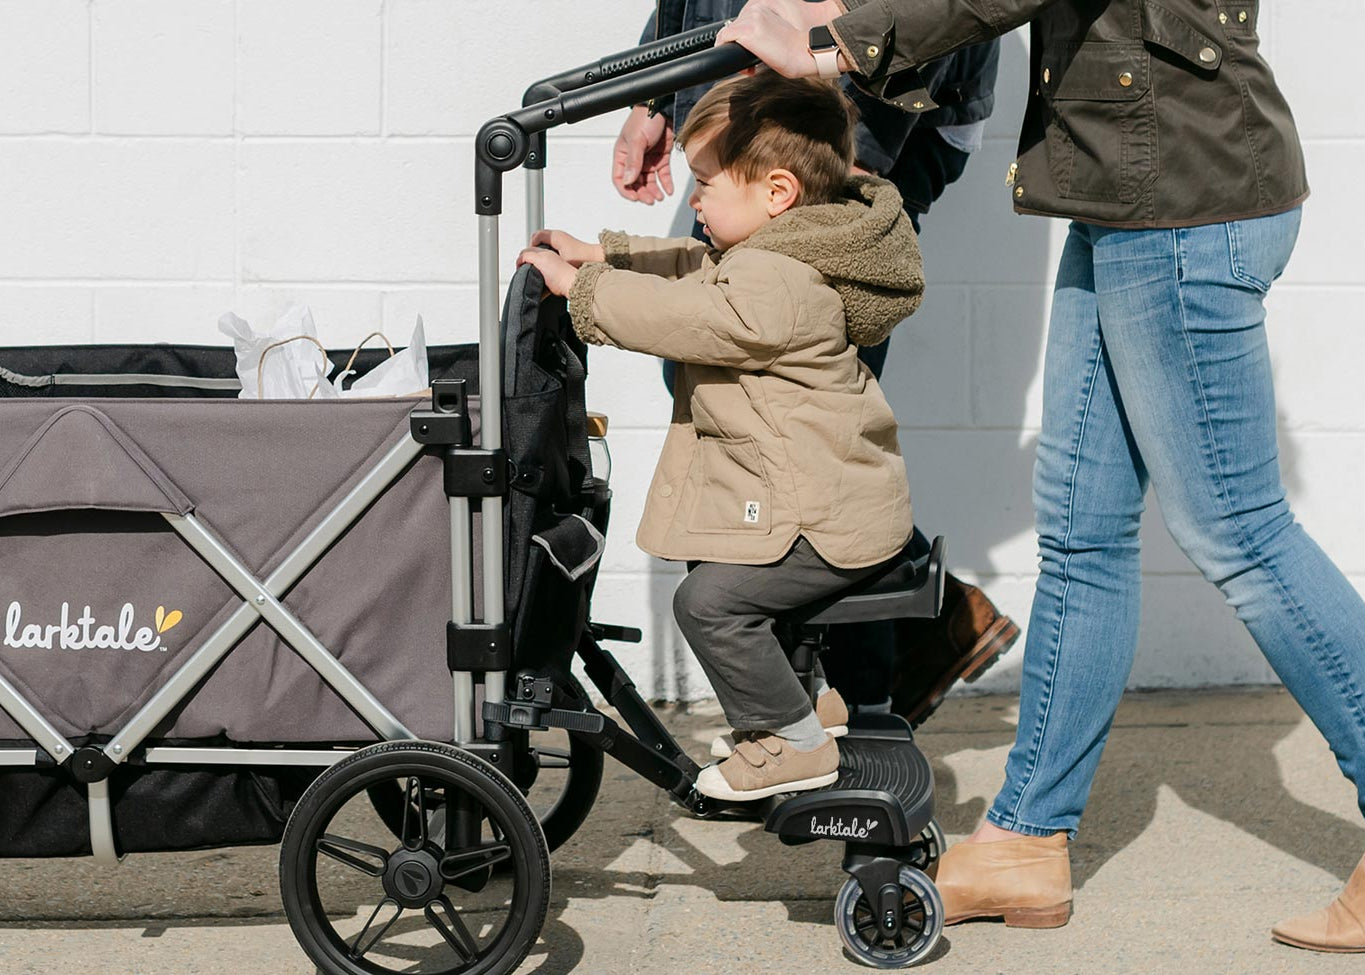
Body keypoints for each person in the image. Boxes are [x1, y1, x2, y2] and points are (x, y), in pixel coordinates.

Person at [718, 0, 1365, 952]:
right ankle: (1024, 838)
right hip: (1129, 189)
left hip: (1177, 198)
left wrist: (834, 46)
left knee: (1238, 529)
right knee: (1081, 532)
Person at [519, 71, 923, 801]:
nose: (695, 199)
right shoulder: (780, 252)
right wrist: (602, 254)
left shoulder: (777, 281)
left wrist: (580, 288)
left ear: (777, 193)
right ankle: (807, 707)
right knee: (716, 556)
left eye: (706, 182)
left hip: (821, 518)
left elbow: (689, 315)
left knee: (709, 603)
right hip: (827, 499)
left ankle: (792, 742)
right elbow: (693, 266)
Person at [615, 0, 1016, 728]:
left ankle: (865, 698)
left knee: (796, 403)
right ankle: (923, 628)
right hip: (754, 92)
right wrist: (657, 90)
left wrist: (855, 135)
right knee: (721, 382)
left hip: (865, 92)